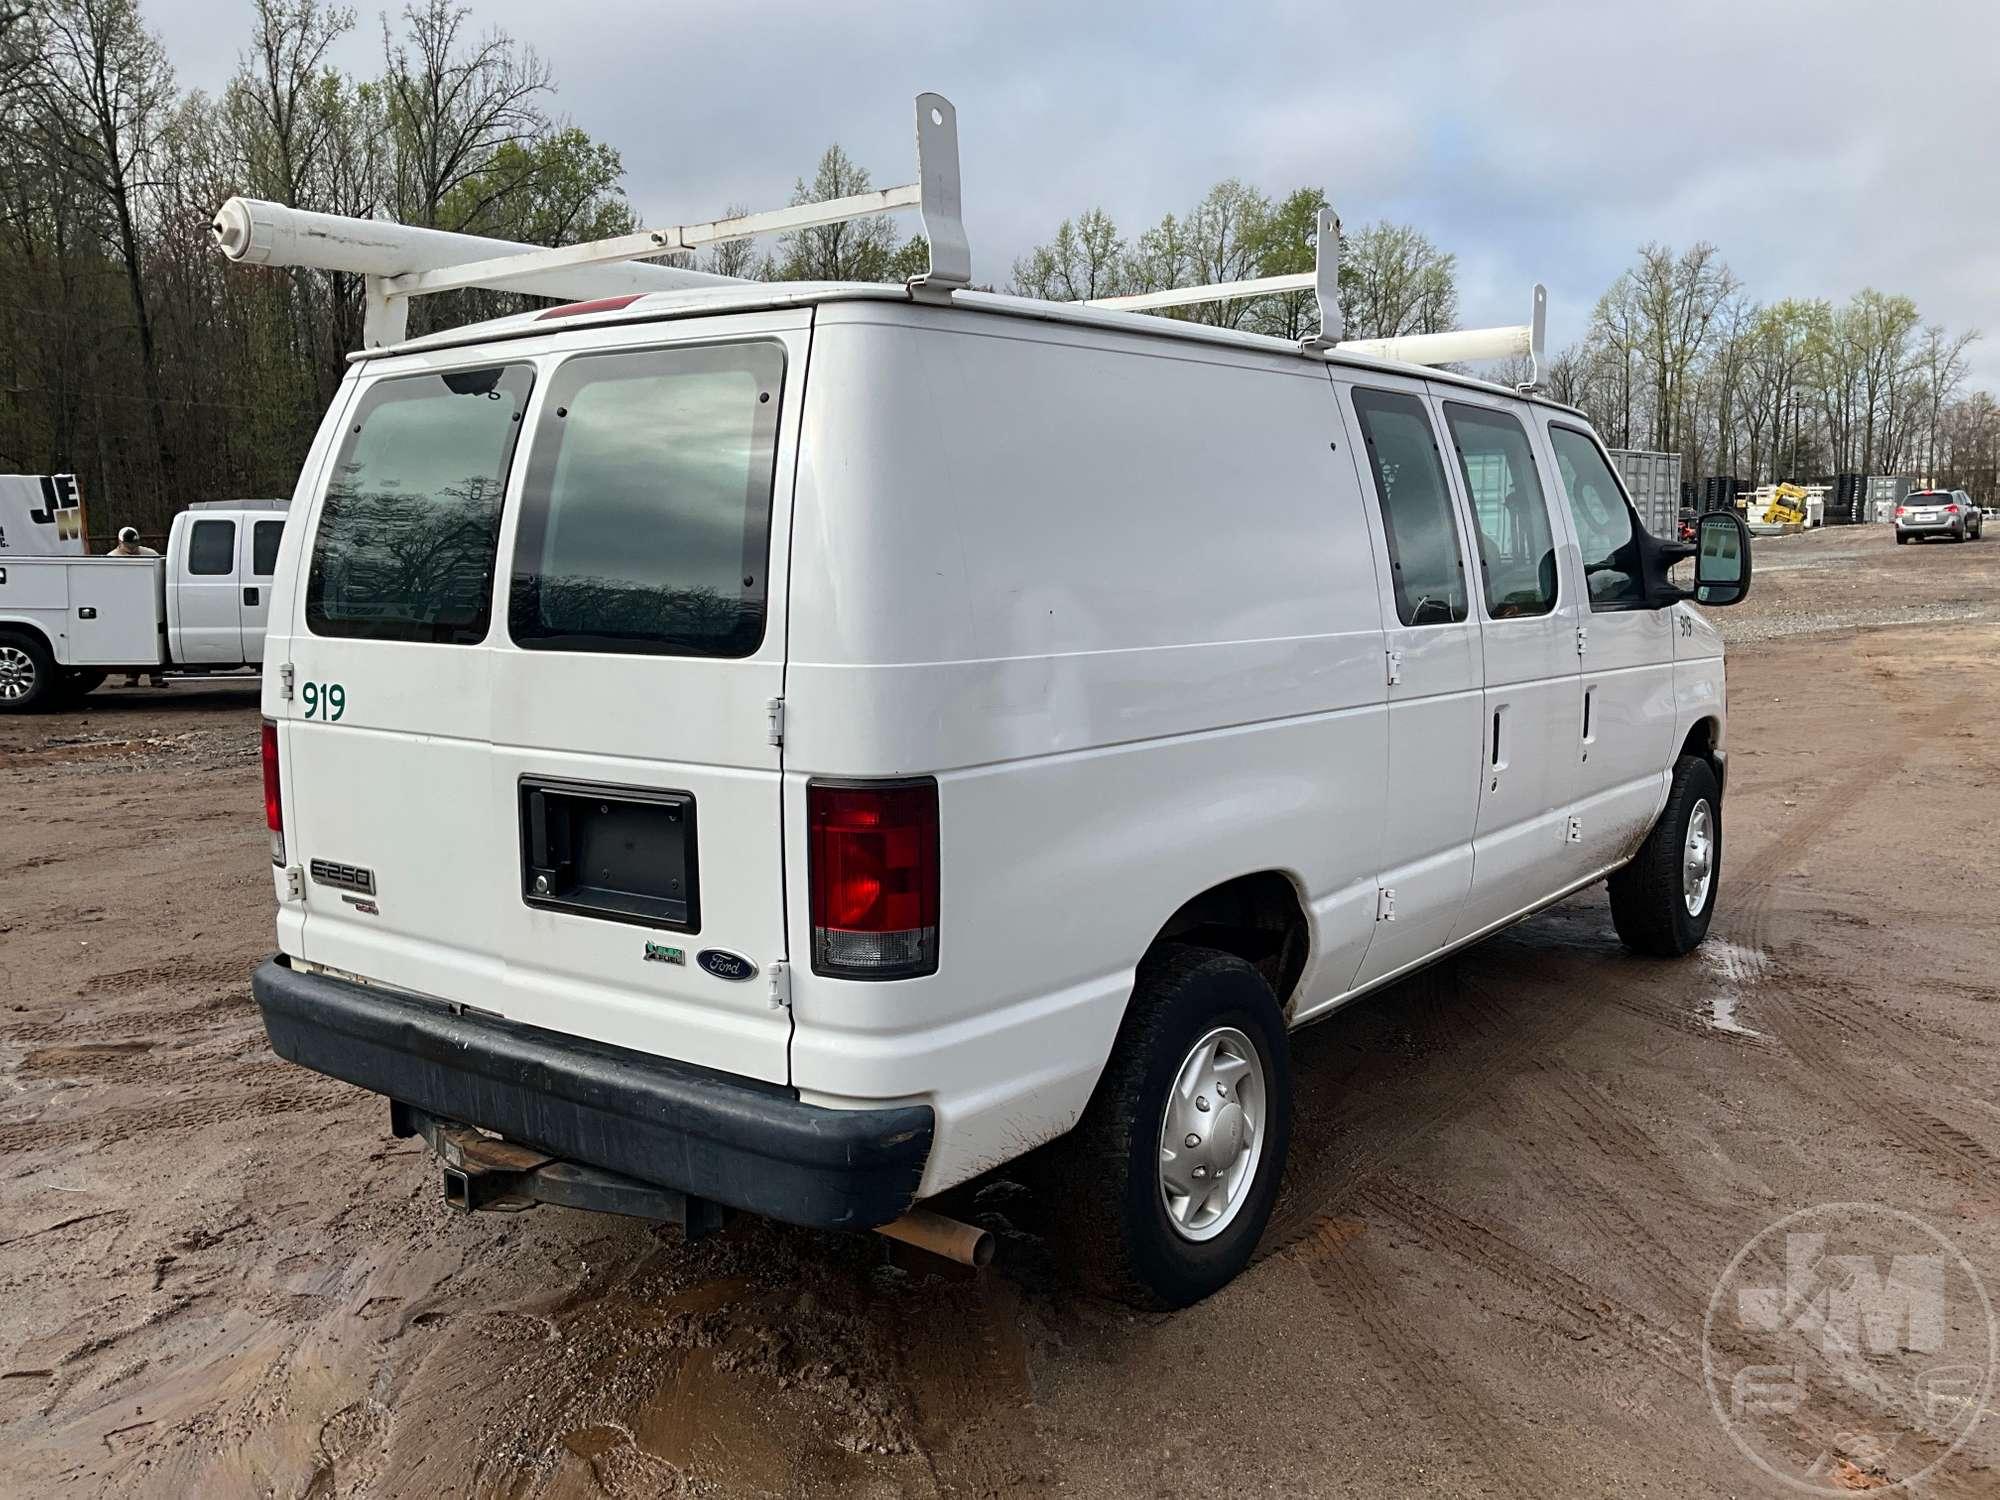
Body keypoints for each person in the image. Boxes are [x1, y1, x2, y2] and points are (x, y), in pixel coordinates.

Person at [106, 527, 167, 688]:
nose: (132, 548)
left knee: (152, 642)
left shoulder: (150, 555)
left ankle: (156, 676)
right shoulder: (111, 559)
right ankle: (132, 676)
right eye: (128, 544)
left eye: (134, 544)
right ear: (120, 543)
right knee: (132, 643)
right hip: (125, 607)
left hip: (148, 606)